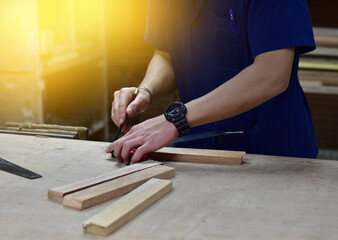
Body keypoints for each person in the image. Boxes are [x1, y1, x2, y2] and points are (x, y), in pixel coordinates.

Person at [106, 0, 318, 164]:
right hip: (197, 150)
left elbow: (273, 73)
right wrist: (146, 91)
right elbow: (166, 55)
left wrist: (177, 119)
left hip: (270, 154)